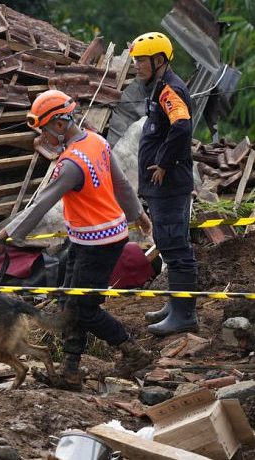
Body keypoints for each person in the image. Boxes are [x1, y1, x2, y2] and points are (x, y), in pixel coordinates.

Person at [0, 90, 153, 391]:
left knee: (85, 308)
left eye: (44, 130)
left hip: (98, 243)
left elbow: (39, 204)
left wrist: (6, 236)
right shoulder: (96, 141)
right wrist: (137, 213)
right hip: (94, 237)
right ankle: (71, 371)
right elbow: (121, 184)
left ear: (60, 125)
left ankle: (132, 351)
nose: (42, 137)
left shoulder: (70, 165)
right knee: (68, 299)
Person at [129, 32, 199, 337]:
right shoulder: (159, 87)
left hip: (170, 184)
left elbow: (182, 126)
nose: (136, 66)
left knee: (176, 246)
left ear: (159, 60)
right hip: (162, 187)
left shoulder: (170, 89)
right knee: (169, 246)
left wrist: (165, 163)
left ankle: (184, 315)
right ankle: (174, 307)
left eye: (141, 60)